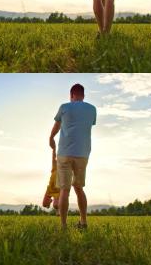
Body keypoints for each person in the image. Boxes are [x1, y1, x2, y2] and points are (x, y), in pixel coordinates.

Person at [49, 83, 97, 229]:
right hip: (83, 154)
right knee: (79, 188)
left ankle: (63, 226)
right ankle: (83, 222)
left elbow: (57, 126)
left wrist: (51, 138)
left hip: (64, 153)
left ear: (71, 95)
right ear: (83, 95)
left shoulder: (64, 107)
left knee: (64, 190)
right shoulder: (92, 109)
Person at [41, 147, 59, 212]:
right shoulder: (54, 165)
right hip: (50, 188)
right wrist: (54, 149)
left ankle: (59, 210)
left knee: (56, 205)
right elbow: (53, 157)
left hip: (58, 189)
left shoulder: (65, 167)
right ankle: (51, 200)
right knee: (44, 204)